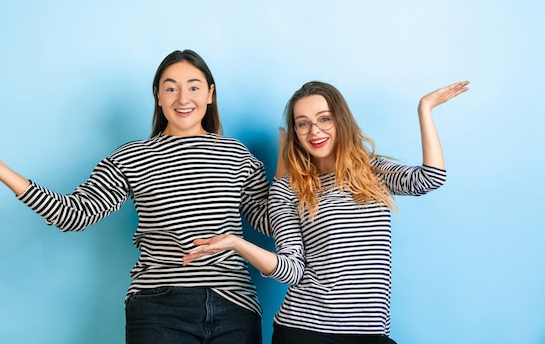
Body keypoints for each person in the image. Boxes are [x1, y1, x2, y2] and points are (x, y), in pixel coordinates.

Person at [0, 49, 273, 344]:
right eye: (171, 87)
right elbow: (74, 214)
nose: (183, 98)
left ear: (211, 94)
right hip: (161, 308)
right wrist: (0, 169)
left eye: (194, 87)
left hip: (236, 307)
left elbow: (270, 221)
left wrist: (295, 171)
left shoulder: (237, 155)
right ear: (157, 95)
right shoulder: (132, 157)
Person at [183, 80, 470, 344]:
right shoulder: (288, 189)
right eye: (303, 124)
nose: (314, 131)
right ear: (295, 132)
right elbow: (291, 269)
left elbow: (429, 178)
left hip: (370, 332)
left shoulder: (372, 171)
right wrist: (236, 242)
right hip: (307, 332)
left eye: (324, 119)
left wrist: (425, 108)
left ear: (340, 121)